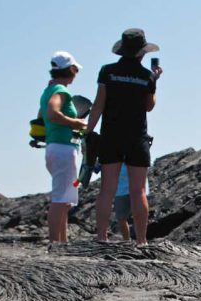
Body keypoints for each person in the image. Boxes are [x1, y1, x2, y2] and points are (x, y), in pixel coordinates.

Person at [86, 29, 162, 245]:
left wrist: (88, 131)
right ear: (142, 53)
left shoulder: (107, 72)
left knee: (107, 189)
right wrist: (154, 82)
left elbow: (98, 104)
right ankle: (142, 241)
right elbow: (149, 106)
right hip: (137, 137)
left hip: (111, 136)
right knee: (138, 191)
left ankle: (101, 237)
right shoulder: (146, 76)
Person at [40, 51, 86, 244]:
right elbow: (52, 112)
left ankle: (63, 241)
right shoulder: (60, 91)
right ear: (71, 70)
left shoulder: (49, 89)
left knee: (65, 198)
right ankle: (54, 242)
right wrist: (75, 122)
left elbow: (43, 115)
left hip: (55, 147)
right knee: (60, 198)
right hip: (64, 149)